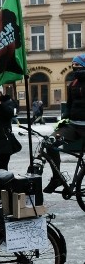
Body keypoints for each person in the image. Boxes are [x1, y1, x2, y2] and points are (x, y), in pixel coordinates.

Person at [43, 54, 85, 193]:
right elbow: (70, 104)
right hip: (73, 125)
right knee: (49, 143)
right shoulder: (72, 83)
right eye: (74, 65)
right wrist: (65, 117)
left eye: (78, 65)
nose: (75, 68)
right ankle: (57, 178)